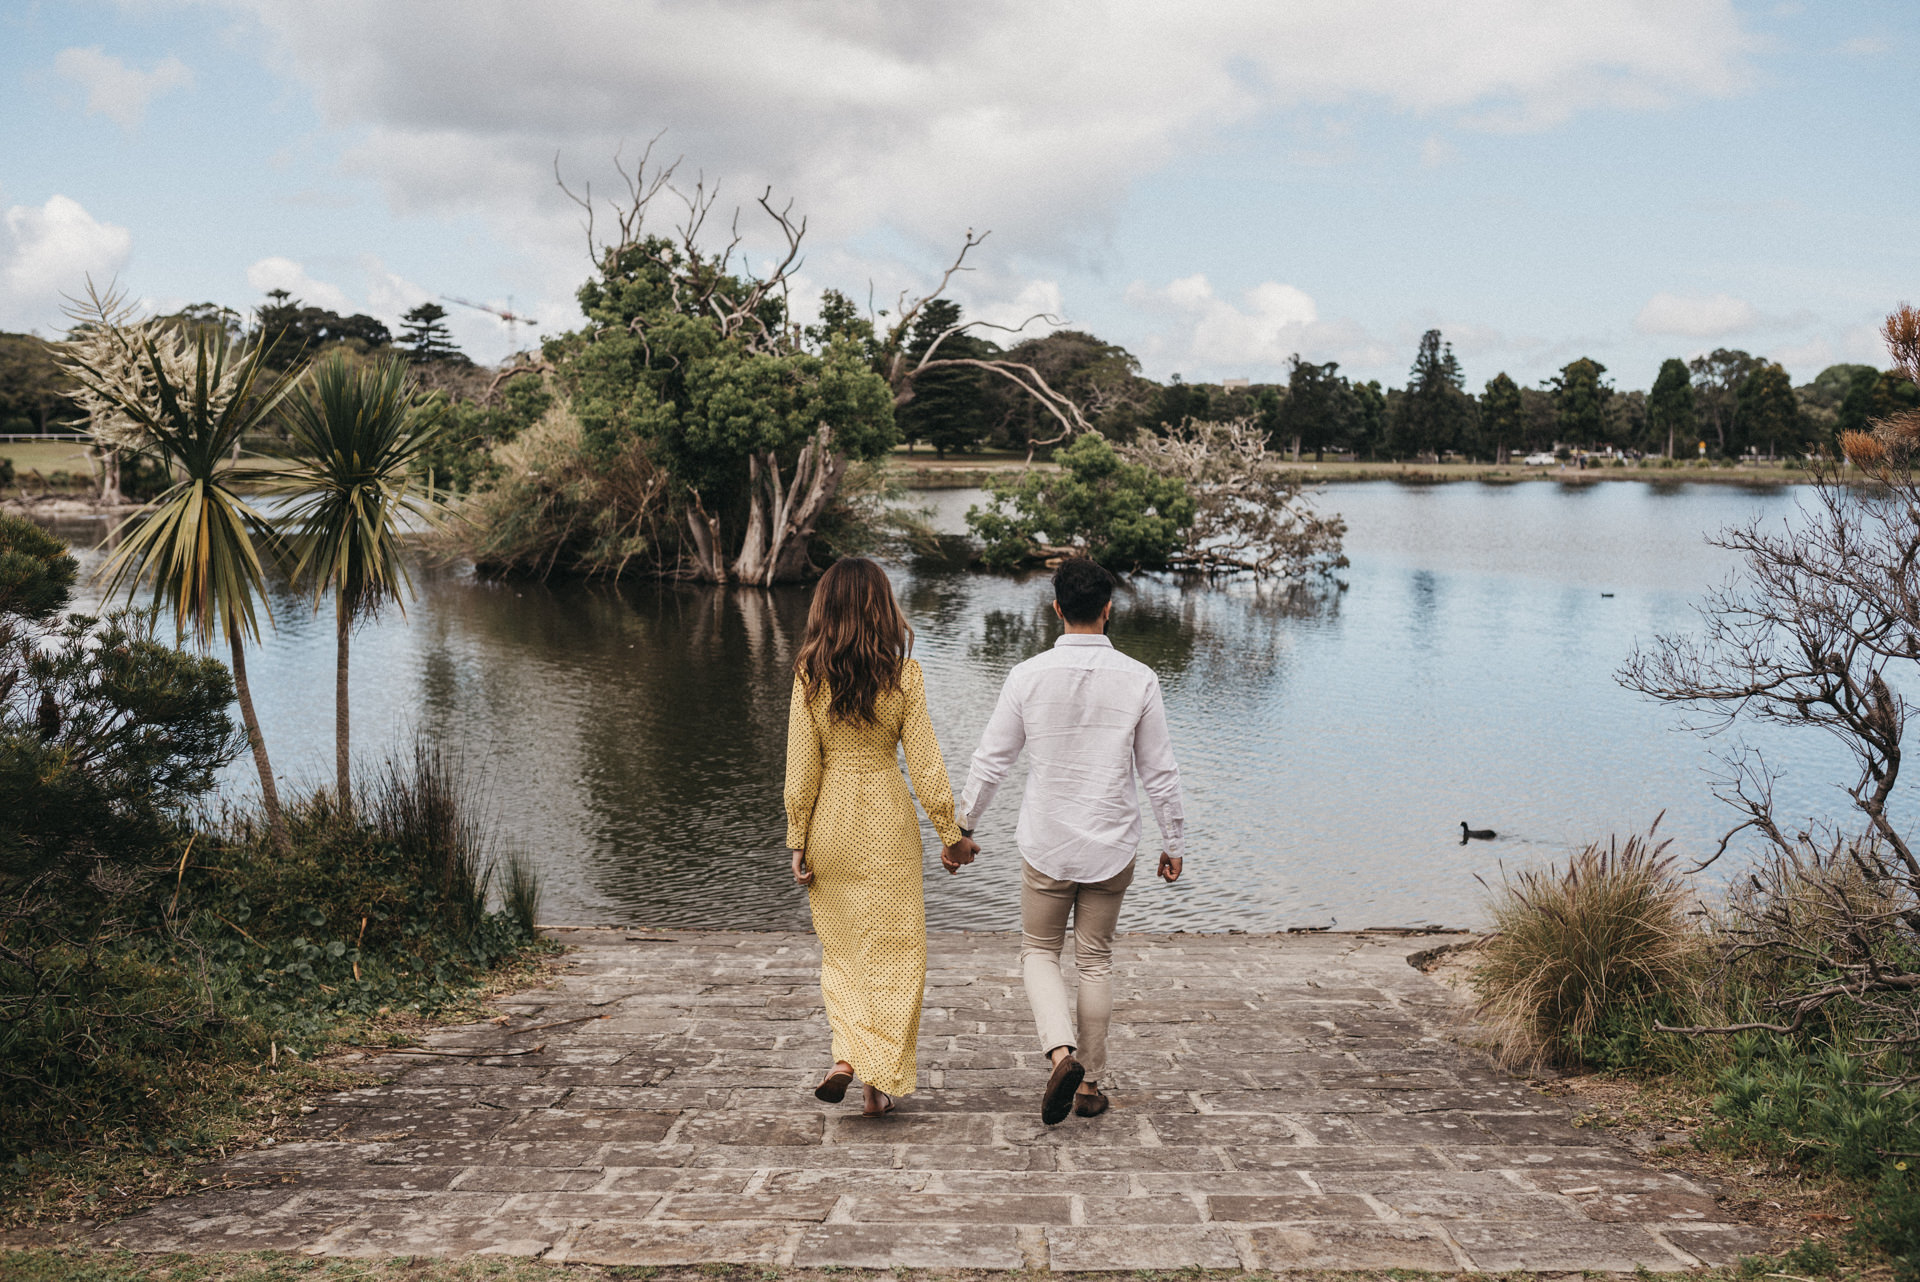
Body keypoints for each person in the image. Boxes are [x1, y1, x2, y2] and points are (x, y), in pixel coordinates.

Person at [951, 557, 1186, 1125]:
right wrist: (1173, 840)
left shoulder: (1027, 676)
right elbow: (1160, 772)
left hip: (1049, 843)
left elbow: (992, 762)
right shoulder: (1140, 678)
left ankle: (1061, 1053)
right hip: (1112, 845)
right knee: (1096, 960)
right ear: (1108, 609)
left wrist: (963, 829)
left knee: (1038, 951)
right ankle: (1090, 1086)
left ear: (1056, 608)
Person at [784, 557, 979, 1117]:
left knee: (844, 951)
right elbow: (926, 765)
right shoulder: (903, 676)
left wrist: (797, 837)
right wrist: (952, 834)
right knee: (897, 953)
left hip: (831, 823)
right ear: (882, 608)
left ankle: (850, 1061)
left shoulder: (808, 676)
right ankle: (874, 1072)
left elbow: (801, 771)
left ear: (826, 609)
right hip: (888, 823)